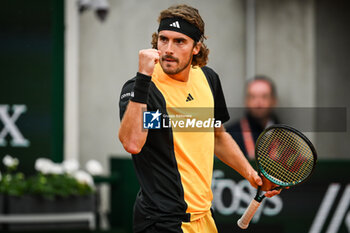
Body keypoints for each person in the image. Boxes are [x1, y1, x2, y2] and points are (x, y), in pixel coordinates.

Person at [118, 5, 280, 233]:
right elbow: (133, 143)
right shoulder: (143, 89)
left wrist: (250, 174)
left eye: (179, 42)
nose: (168, 49)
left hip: (204, 218)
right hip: (161, 222)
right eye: (163, 39)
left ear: (196, 47)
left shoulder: (207, 79)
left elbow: (217, 135)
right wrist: (143, 78)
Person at [226, 76, 279, 160]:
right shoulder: (230, 135)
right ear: (246, 101)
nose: (258, 103)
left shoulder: (285, 136)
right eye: (253, 97)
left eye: (264, 97)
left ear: (274, 100)